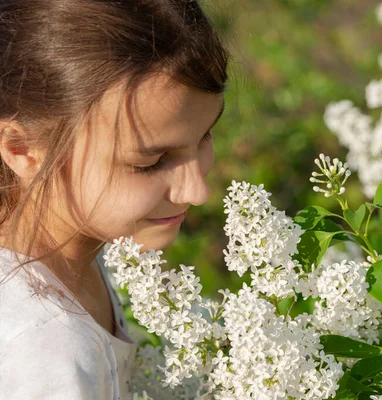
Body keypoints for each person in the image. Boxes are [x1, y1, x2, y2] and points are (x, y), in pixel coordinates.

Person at [0, 0, 228, 398]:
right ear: (23, 150)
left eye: (206, 135)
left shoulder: (81, 250)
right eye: (151, 162)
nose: (198, 191)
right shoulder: (45, 354)